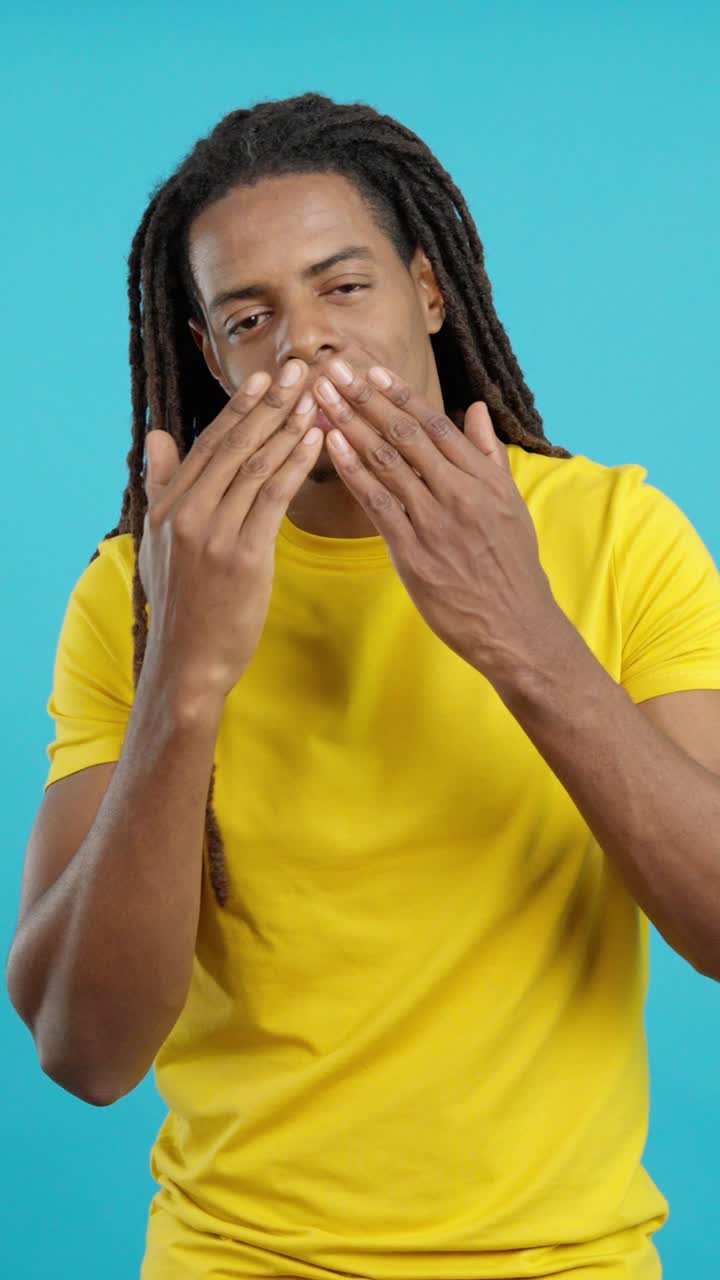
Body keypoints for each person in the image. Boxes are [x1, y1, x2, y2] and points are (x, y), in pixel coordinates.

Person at [6, 92, 720, 1280]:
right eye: (250, 317)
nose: (307, 346)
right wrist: (186, 675)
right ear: (209, 359)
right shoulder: (137, 591)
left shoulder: (619, 534)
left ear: (428, 294)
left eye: (345, 287)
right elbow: (83, 1051)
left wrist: (523, 636)